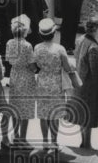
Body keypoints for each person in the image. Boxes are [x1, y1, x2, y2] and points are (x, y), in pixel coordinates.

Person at [34, 18, 80, 154]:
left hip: (42, 82)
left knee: (43, 114)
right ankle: (54, 142)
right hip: (56, 84)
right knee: (54, 115)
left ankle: (44, 141)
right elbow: (67, 67)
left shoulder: (37, 47)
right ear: (54, 34)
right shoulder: (60, 49)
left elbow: (34, 65)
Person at [73, 17, 98, 150]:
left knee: (82, 115)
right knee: (88, 116)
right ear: (96, 28)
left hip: (79, 81)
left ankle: (84, 141)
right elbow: (96, 71)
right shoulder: (94, 47)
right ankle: (87, 144)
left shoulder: (80, 39)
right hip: (89, 86)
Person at [4, 15, 38, 143]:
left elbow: (8, 60)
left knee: (15, 105)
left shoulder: (9, 43)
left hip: (14, 74)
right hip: (26, 76)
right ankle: (23, 137)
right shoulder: (28, 46)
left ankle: (15, 134)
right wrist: (35, 69)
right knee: (26, 108)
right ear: (25, 31)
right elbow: (31, 65)